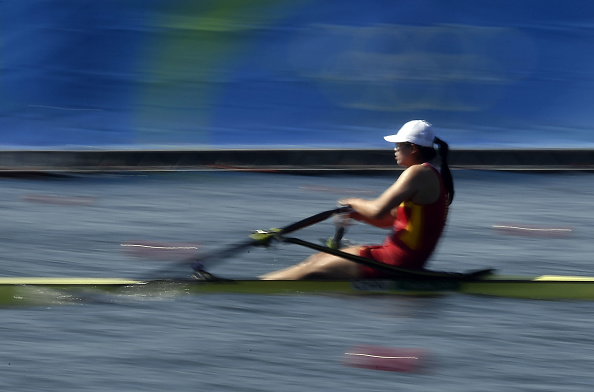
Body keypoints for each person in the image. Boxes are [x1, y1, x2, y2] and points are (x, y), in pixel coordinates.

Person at [259, 120, 454, 280]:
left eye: (398, 145)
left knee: (311, 270)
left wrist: (353, 202)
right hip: (400, 256)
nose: (394, 150)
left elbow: (377, 209)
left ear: (412, 148)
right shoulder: (429, 175)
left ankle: (258, 287)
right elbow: (389, 219)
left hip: (397, 260)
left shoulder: (418, 173)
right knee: (317, 258)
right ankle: (265, 282)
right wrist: (357, 215)